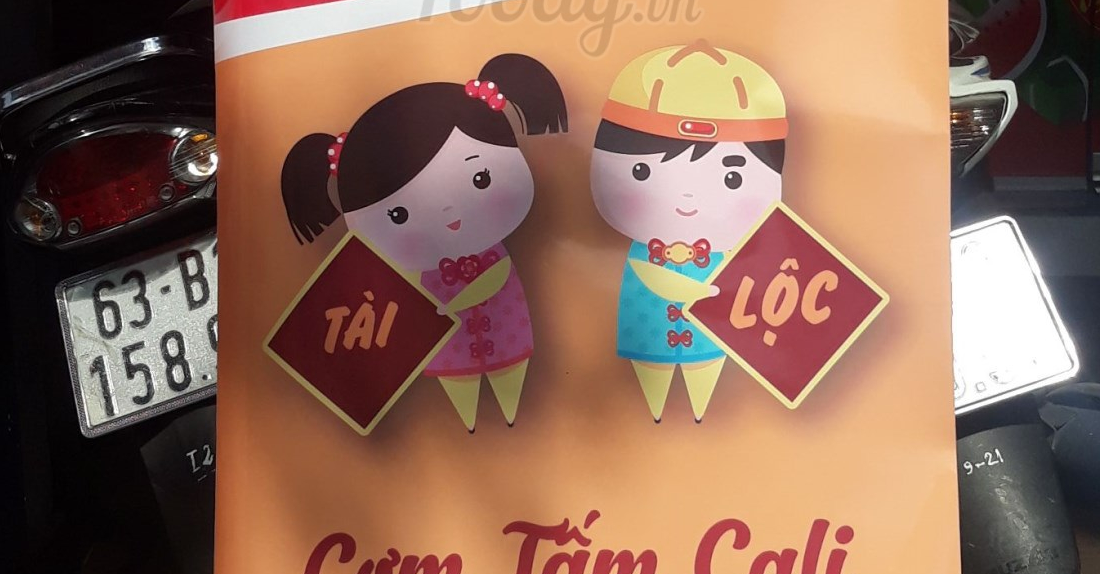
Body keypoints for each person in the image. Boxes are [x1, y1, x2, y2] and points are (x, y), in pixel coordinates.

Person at [281, 54, 567, 431]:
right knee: (457, 385)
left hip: (505, 319)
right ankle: (470, 426)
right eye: (398, 214)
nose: (449, 213)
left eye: (480, 177)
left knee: (511, 369)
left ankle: (510, 417)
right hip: (437, 328)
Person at [590, 41, 787, 421]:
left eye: (732, 177)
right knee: (648, 357)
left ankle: (699, 411)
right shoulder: (640, 254)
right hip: (644, 292)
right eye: (642, 171)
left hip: (715, 292)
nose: (688, 197)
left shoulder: (734, 254)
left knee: (709, 355)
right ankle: (656, 413)